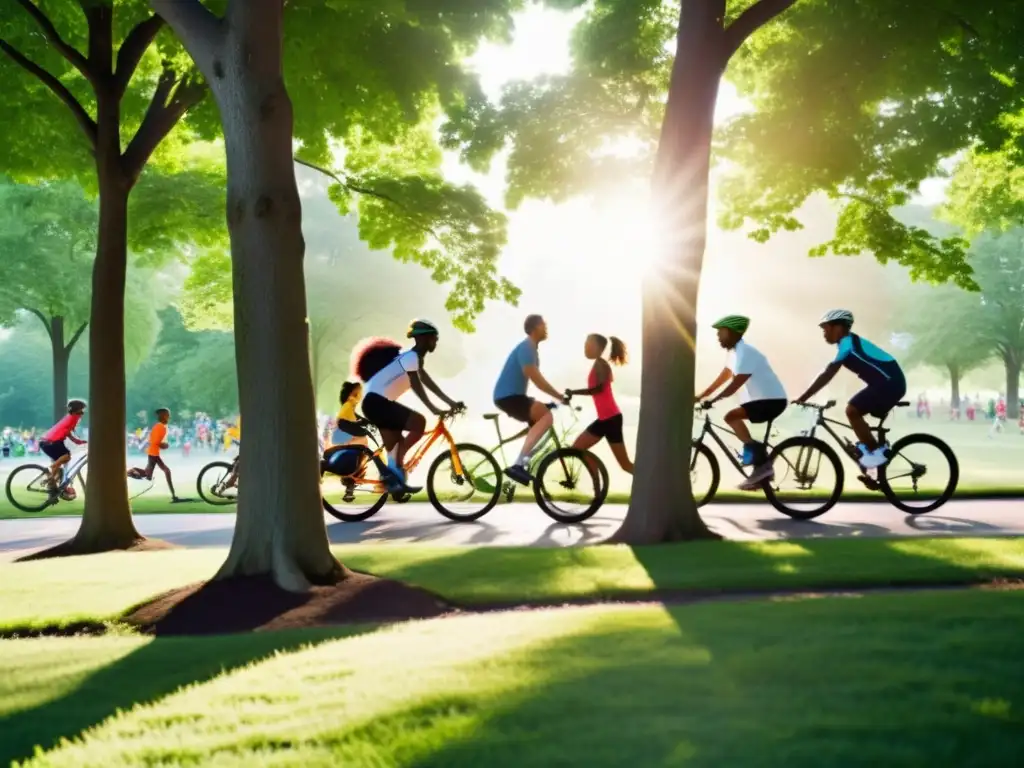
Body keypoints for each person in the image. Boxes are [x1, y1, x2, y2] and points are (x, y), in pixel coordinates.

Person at [356, 319, 463, 493]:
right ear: (422, 339)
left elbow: (428, 383)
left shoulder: (414, 359)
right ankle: (395, 469)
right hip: (376, 402)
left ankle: (393, 479)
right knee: (418, 422)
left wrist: (450, 402)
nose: (435, 342)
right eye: (433, 338)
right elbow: (416, 385)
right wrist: (433, 408)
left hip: (376, 402)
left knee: (396, 442)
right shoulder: (411, 357)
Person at [795, 309, 906, 469]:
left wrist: (804, 396)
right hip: (886, 384)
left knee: (852, 410)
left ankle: (877, 454)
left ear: (838, 328)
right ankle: (874, 470)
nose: (824, 334)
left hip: (890, 384)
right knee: (857, 419)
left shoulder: (847, 344)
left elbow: (829, 373)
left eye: (826, 329)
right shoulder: (848, 343)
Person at [695, 315, 787, 489]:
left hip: (771, 400)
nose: (718, 337)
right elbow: (724, 376)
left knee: (731, 417)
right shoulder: (735, 353)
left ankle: (762, 464)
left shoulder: (746, 353)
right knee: (732, 418)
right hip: (763, 400)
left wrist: (713, 399)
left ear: (732, 333)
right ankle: (760, 465)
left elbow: (736, 383)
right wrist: (702, 395)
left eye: (721, 332)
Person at [493, 314, 567, 485]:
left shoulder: (531, 348)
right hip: (508, 397)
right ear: (534, 328)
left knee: (540, 419)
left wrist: (550, 402)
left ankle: (521, 465)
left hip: (513, 396)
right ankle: (518, 465)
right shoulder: (527, 347)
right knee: (546, 417)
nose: (546, 327)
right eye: (543, 325)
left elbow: (534, 380)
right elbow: (535, 378)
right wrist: (559, 396)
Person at [566, 333, 634, 474]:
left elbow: (598, 389)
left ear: (597, 348)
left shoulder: (601, 365)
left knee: (626, 465)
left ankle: (654, 483)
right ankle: (598, 487)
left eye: (588, 345)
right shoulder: (598, 364)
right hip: (605, 419)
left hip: (611, 419)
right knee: (577, 447)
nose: (585, 348)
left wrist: (574, 392)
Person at [128, 408, 181, 501]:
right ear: (162, 416)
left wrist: (162, 445)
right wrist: (163, 445)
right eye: (167, 415)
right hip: (153, 453)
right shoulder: (160, 427)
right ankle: (129, 471)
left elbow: (154, 440)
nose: (168, 417)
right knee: (166, 471)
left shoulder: (160, 426)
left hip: (153, 452)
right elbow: (155, 441)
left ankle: (131, 471)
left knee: (148, 475)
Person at [39, 399, 88, 488]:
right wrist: (76, 441)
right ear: (76, 410)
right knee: (66, 456)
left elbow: (67, 431)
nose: (82, 412)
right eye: (81, 410)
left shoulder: (70, 418)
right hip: (52, 441)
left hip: (48, 441)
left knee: (63, 462)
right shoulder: (74, 418)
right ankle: (53, 469)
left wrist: (77, 441)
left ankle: (53, 486)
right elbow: (67, 432)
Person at [331, 381, 368, 448]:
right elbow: (341, 423)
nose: (360, 395)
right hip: (341, 442)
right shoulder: (348, 405)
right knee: (364, 438)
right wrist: (364, 431)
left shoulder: (349, 407)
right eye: (358, 393)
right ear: (350, 395)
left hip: (342, 441)